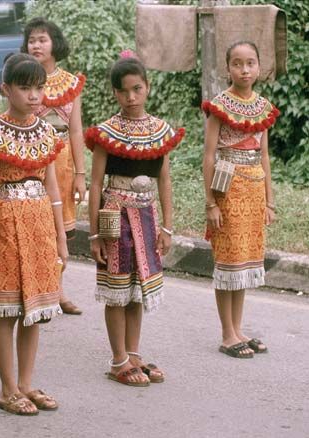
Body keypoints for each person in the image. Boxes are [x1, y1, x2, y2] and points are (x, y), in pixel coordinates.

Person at [0, 53, 67, 415]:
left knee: (37, 311)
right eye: (24, 88)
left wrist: (60, 238)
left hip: (40, 222)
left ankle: (26, 383)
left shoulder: (46, 131)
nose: (33, 96)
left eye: (39, 88)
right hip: (6, 225)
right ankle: (7, 389)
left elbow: (53, 189)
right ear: (6, 89)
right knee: (7, 310)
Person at [85, 56, 184, 386]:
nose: (131, 97)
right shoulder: (106, 133)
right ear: (115, 94)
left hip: (146, 216)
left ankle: (134, 353)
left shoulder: (161, 132)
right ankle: (118, 360)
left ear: (148, 87)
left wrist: (167, 227)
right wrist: (95, 235)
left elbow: (165, 180)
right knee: (117, 290)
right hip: (115, 216)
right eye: (124, 91)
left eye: (137, 89)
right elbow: (96, 184)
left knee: (137, 290)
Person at [202, 41, 278, 358]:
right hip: (228, 190)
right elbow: (207, 157)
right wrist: (210, 203)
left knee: (244, 263)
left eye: (250, 63)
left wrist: (269, 201)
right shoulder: (219, 105)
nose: (244, 70)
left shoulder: (263, 107)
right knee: (229, 262)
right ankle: (226, 333)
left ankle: (239, 328)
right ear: (228, 68)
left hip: (254, 190)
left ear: (259, 67)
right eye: (237, 63)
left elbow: (264, 155)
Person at [22, 17, 86, 315]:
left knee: (63, 229)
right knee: (35, 226)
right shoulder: (23, 78)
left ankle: (57, 290)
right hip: (31, 160)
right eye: (32, 39)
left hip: (62, 164)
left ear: (54, 44)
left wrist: (81, 174)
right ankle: (37, 288)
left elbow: (75, 130)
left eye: (42, 39)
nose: (36, 44)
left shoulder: (72, 83)